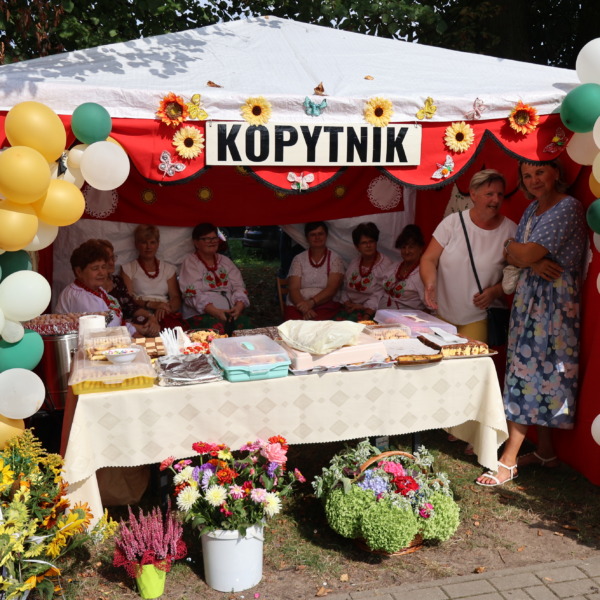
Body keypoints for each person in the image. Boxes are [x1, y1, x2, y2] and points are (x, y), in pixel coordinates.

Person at [476, 161, 587, 486]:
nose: (533, 180)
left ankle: (508, 460)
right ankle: (546, 452)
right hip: (530, 301)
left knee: (533, 373)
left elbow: (522, 253)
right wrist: (528, 259)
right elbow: (514, 255)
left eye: (539, 172)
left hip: (554, 304)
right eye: (527, 176)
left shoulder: (568, 207)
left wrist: (521, 254)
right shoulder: (532, 208)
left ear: (556, 173)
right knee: (535, 370)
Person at [420, 169, 517, 343]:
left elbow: (517, 272)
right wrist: (430, 283)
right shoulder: (452, 223)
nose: (496, 200)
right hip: (443, 314)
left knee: (469, 358)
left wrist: (495, 291)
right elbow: (429, 259)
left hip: (479, 316)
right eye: (489, 194)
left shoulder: (510, 230)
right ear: (473, 194)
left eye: (500, 194)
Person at [55, 240, 154, 337]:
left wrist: (134, 332)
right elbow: (101, 332)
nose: (102, 273)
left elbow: (115, 322)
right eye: (95, 268)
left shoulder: (98, 291)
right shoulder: (78, 296)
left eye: (103, 267)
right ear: (79, 272)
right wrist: (133, 335)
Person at [179, 222, 251, 332]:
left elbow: (239, 286)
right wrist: (216, 312)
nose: (212, 242)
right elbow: (192, 294)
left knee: (247, 326)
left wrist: (238, 307)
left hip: (229, 313)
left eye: (214, 238)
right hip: (201, 315)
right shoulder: (191, 263)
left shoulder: (225, 261)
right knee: (216, 329)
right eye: (206, 239)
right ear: (196, 243)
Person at [96, 239, 160, 337]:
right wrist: (134, 328)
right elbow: (106, 322)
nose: (111, 262)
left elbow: (131, 306)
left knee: (148, 323)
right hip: (112, 329)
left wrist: (151, 317)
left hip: (127, 323)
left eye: (112, 257)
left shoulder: (117, 281)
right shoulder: (93, 288)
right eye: (107, 259)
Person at [121, 225, 182, 328]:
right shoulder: (128, 268)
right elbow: (127, 299)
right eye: (144, 242)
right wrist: (151, 304)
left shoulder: (168, 269)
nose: (148, 247)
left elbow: (176, 298)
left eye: (152, 242)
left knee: (175, 329)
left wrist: (165, 309)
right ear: (136, 244)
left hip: (164, 311)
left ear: (158, 244)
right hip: (139, 312)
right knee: (145, 328)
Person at [284, 221, 345, 320]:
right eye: (313, 235)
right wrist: (304, 308)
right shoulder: (298, 259)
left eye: (320, 234)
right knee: (294, 325)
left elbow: (332, 289)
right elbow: (294, 288)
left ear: (326, 236)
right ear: (307, 238)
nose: (317, 237)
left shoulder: (335, 259)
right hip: (299, 304)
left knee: (319, 324)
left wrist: (311, 303)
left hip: (326, 304)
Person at [337, 222, 392, 321]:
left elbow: (380, 294)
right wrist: (347, 302)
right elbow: (345, 287)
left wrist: (363, 307)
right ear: (357, 247)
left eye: (371, 241)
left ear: (376, 243)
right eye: (364, 243)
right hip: (349, 308)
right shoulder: (354, 263)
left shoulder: (385, 265)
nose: (368, 245)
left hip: (370, 311)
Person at [381, 224, 427, 311]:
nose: (406, 251)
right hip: (381, 315)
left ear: (420, 248)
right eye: (403, 247)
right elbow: (380, 292)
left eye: (411, 247)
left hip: (406, 318)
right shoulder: (393, 267)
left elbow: (430, 306)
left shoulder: (423, 273)